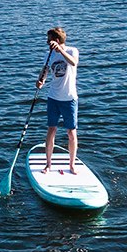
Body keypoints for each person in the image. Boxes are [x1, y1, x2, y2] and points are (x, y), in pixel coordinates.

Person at [35, 26, 80, 174]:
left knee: (71, 133)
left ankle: (72, 164)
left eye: (49, 40)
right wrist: (40, 80)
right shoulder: (49, 54)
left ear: (56, 40)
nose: (47, 43)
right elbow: (45, 70)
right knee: (51, 130)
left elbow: (73, 63)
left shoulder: (72, 51)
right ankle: (48, 164)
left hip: (69, 99)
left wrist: (60, 51)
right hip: (53, 97)